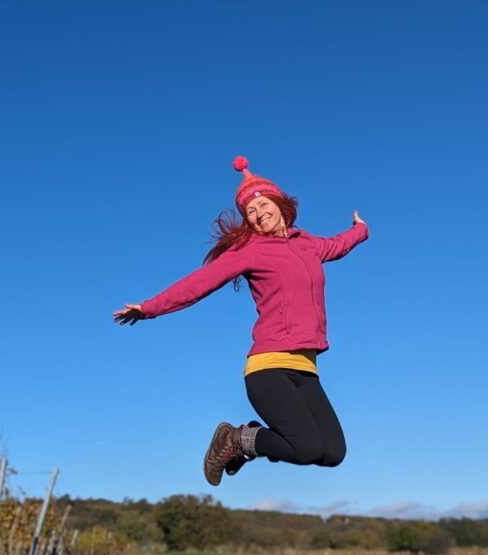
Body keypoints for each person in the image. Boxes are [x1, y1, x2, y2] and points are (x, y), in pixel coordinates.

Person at [113, 156, 369, 486]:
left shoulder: (308, 244)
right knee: (305, 448)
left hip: (306, 368)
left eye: (264, 204)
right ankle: (237, 440)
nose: (260, 214)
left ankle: (244, 442)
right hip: (269, 367)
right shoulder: (250, 250)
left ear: (279, 204)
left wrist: (360, 230)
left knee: (332, 453)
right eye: (251, 211)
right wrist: (149, 308)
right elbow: (198, 283)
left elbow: (338, 245)